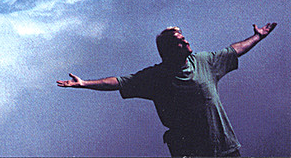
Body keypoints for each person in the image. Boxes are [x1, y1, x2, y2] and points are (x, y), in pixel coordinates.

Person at [57, 22, 277, 157]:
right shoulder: (157, 77)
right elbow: (119, 82)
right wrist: (85, 83)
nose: (187, 42)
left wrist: (257, 37)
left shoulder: (204, 62)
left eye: (184, 38)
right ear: (169, 50)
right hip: (192, 152)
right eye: (180, 41)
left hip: (225, 148)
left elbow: (233, 51)